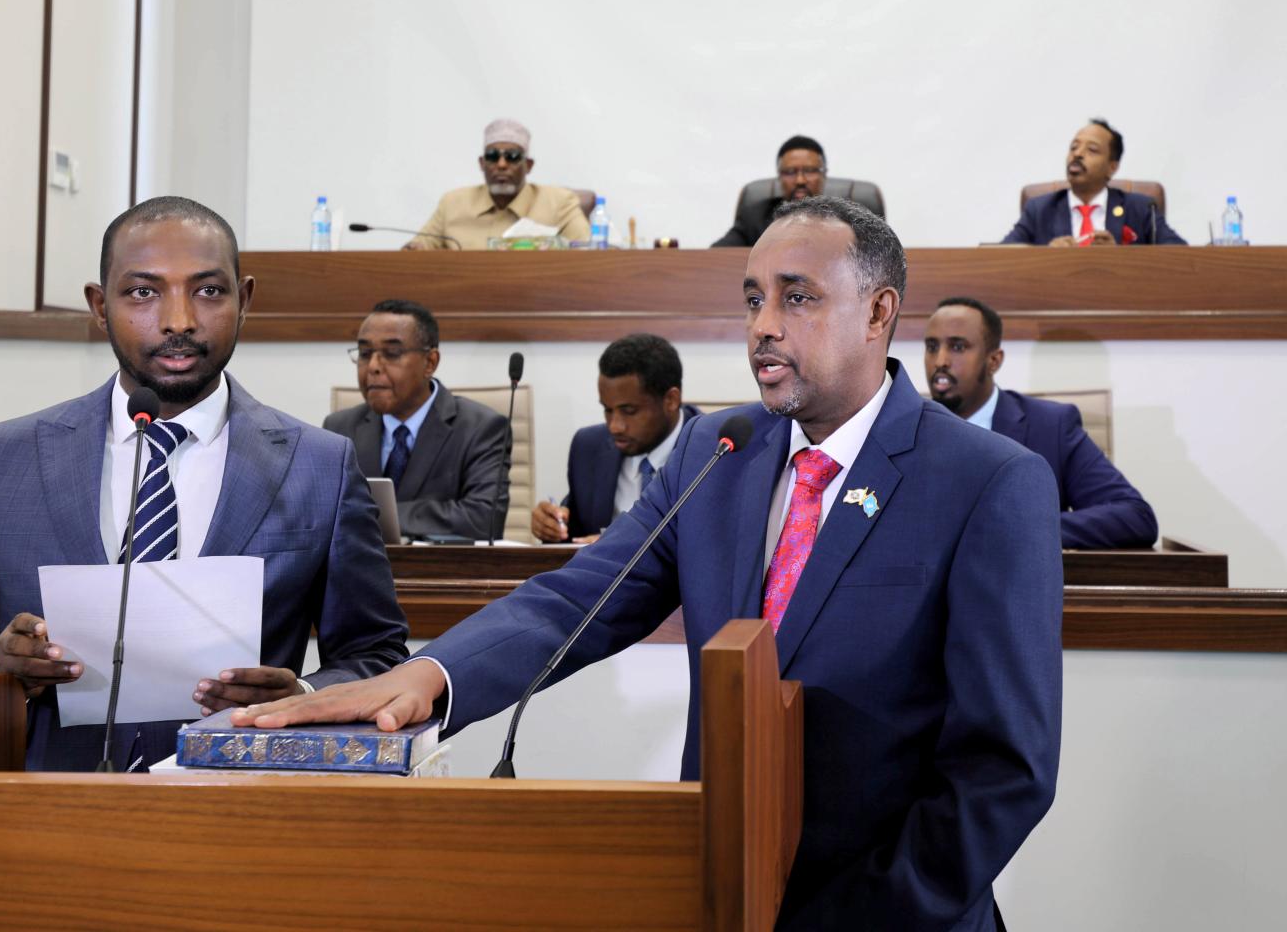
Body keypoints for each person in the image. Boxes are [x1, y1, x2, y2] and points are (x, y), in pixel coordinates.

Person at [235, 196, 1064, 930]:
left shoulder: (987, 482)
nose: (763, 326)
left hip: (893, 912)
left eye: (797, 298)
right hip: (718, 889)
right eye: (752, 300)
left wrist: (864, 913)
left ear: (878, 311)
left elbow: (1003, 770)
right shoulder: (720, 447)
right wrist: (432, 677)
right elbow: (582, 596)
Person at [0, 196, 409, 771]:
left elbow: (375, 655)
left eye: (208, 291)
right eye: (142, 293)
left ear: (245, 300)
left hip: (243, 816)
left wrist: (302, 696)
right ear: (100, 307)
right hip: (40, 819)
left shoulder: (320, 465)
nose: (179, 320)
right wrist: (3, 669)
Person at [924, 296, 1160, 549]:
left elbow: (1135, 516)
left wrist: (1021, 529)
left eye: (958, 347)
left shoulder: (1051, 427)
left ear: (994, 361)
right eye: (932, 346)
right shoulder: (904, 424)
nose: (940, 361)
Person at [324, 300, 509, 541]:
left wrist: (371, 513)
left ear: (430, 362)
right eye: (365, 353)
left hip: (441, 574)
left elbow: (484, 519)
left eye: (392, 353)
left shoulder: (481, 428)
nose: (373, 367)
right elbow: (322, 515)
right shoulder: (339, 428)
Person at [531, 333, 700, 543]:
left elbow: (715, 547)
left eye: (629, 411)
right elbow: (575, 531)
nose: (615, 426)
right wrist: (551, 526)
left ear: (671, 400)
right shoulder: (588, 447)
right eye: (607, 410)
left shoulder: (715, 451)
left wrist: (615, 544)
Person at [404, 118, 590, 250]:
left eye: (512, 157)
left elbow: (589, 251)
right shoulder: (452, 203)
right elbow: (417, 249)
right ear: (482, 164)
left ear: (528, 165)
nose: (501, 165)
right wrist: (414, 249)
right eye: (493, 156)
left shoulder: (559, 203)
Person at [1003, 118, 1186, 245]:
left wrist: (1118, 257)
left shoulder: (1140, 208)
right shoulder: (1040, 209)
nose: (1078, 153)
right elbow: (1002, 255)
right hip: (1057, 298)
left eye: (1092, 150)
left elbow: (1179, 255)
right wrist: (1047, 256)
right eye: (1074, 147)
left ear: (1112, 167)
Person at [712, 135, 831, 247]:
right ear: (779, 177)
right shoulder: (755, 217)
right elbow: (716, 255)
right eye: (790, 172)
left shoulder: (844, 217)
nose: (800, 180)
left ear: (824, 174)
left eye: (809, 170)